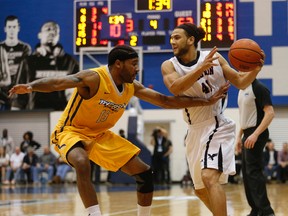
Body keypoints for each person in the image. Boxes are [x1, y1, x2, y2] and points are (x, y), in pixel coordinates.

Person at [9, 44, 229, 216]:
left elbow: (165, 101)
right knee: (82, 162)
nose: (137, 68)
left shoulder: (133, 87)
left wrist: (206, 101)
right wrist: (31, 86)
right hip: (70, 131)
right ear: (118, 64)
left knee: (144, 173)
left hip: (100, 136)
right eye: (133, 64)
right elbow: (59, 82)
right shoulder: (94, 78)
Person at [160, 23, 265, 216]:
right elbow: (175, 88)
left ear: (191, 40)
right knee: (200, 189)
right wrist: (200, 69)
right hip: (193, 130)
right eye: (172, 38)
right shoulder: (168, 65)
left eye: (177, 37)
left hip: (217, 124)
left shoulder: (215, 57)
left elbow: (241, 82)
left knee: (209, 178)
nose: (172, 41)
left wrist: (256, 69)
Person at [12, 21, 79, 110]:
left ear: (58, 36)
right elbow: (19, 98)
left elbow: (78, 95)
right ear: (39, 35)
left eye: (55, 31)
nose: (52, 33)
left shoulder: (70, 62)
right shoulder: (28, 62)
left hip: (61, 116)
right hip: (35, 116)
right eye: (48, 29)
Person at [236, 78, 275, 216]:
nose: (239, 72)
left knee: (254, 172)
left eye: (243, 69)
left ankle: (266, 211)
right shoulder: (241, 89)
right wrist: (238, 138)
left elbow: (270, 113)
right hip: (247, 133)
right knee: (247, 174)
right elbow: (244, 117)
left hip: (256, 133)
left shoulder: (259, 87)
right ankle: (256, 209)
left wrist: (255, 134)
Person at [0, 15, 32, 110]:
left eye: (14, 27)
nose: (12, 30)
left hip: (19, 92)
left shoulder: (25, 48)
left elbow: (25, 72)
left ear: (18, 28)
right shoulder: (0, 48)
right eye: (9, 27)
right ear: (5, 29)